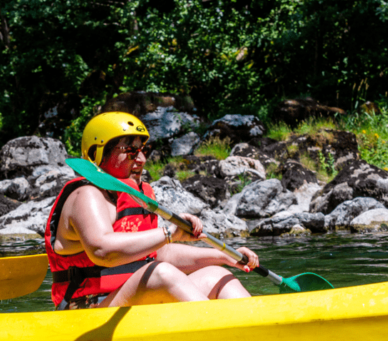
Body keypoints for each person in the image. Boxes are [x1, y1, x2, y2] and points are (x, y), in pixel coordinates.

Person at [45, 112, 260, 310]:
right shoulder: (86, 196)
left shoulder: (138, 195)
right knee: (160, 273)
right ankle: (220, 328)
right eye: (130, 151)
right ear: (96, 153)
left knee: (217, 275)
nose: (141, 160)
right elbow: (103, 251)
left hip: (129, 301)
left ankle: (256, 327)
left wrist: (224, 255)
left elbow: (157, 253)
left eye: (143, 150)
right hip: (86, 309)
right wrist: (169, 233)